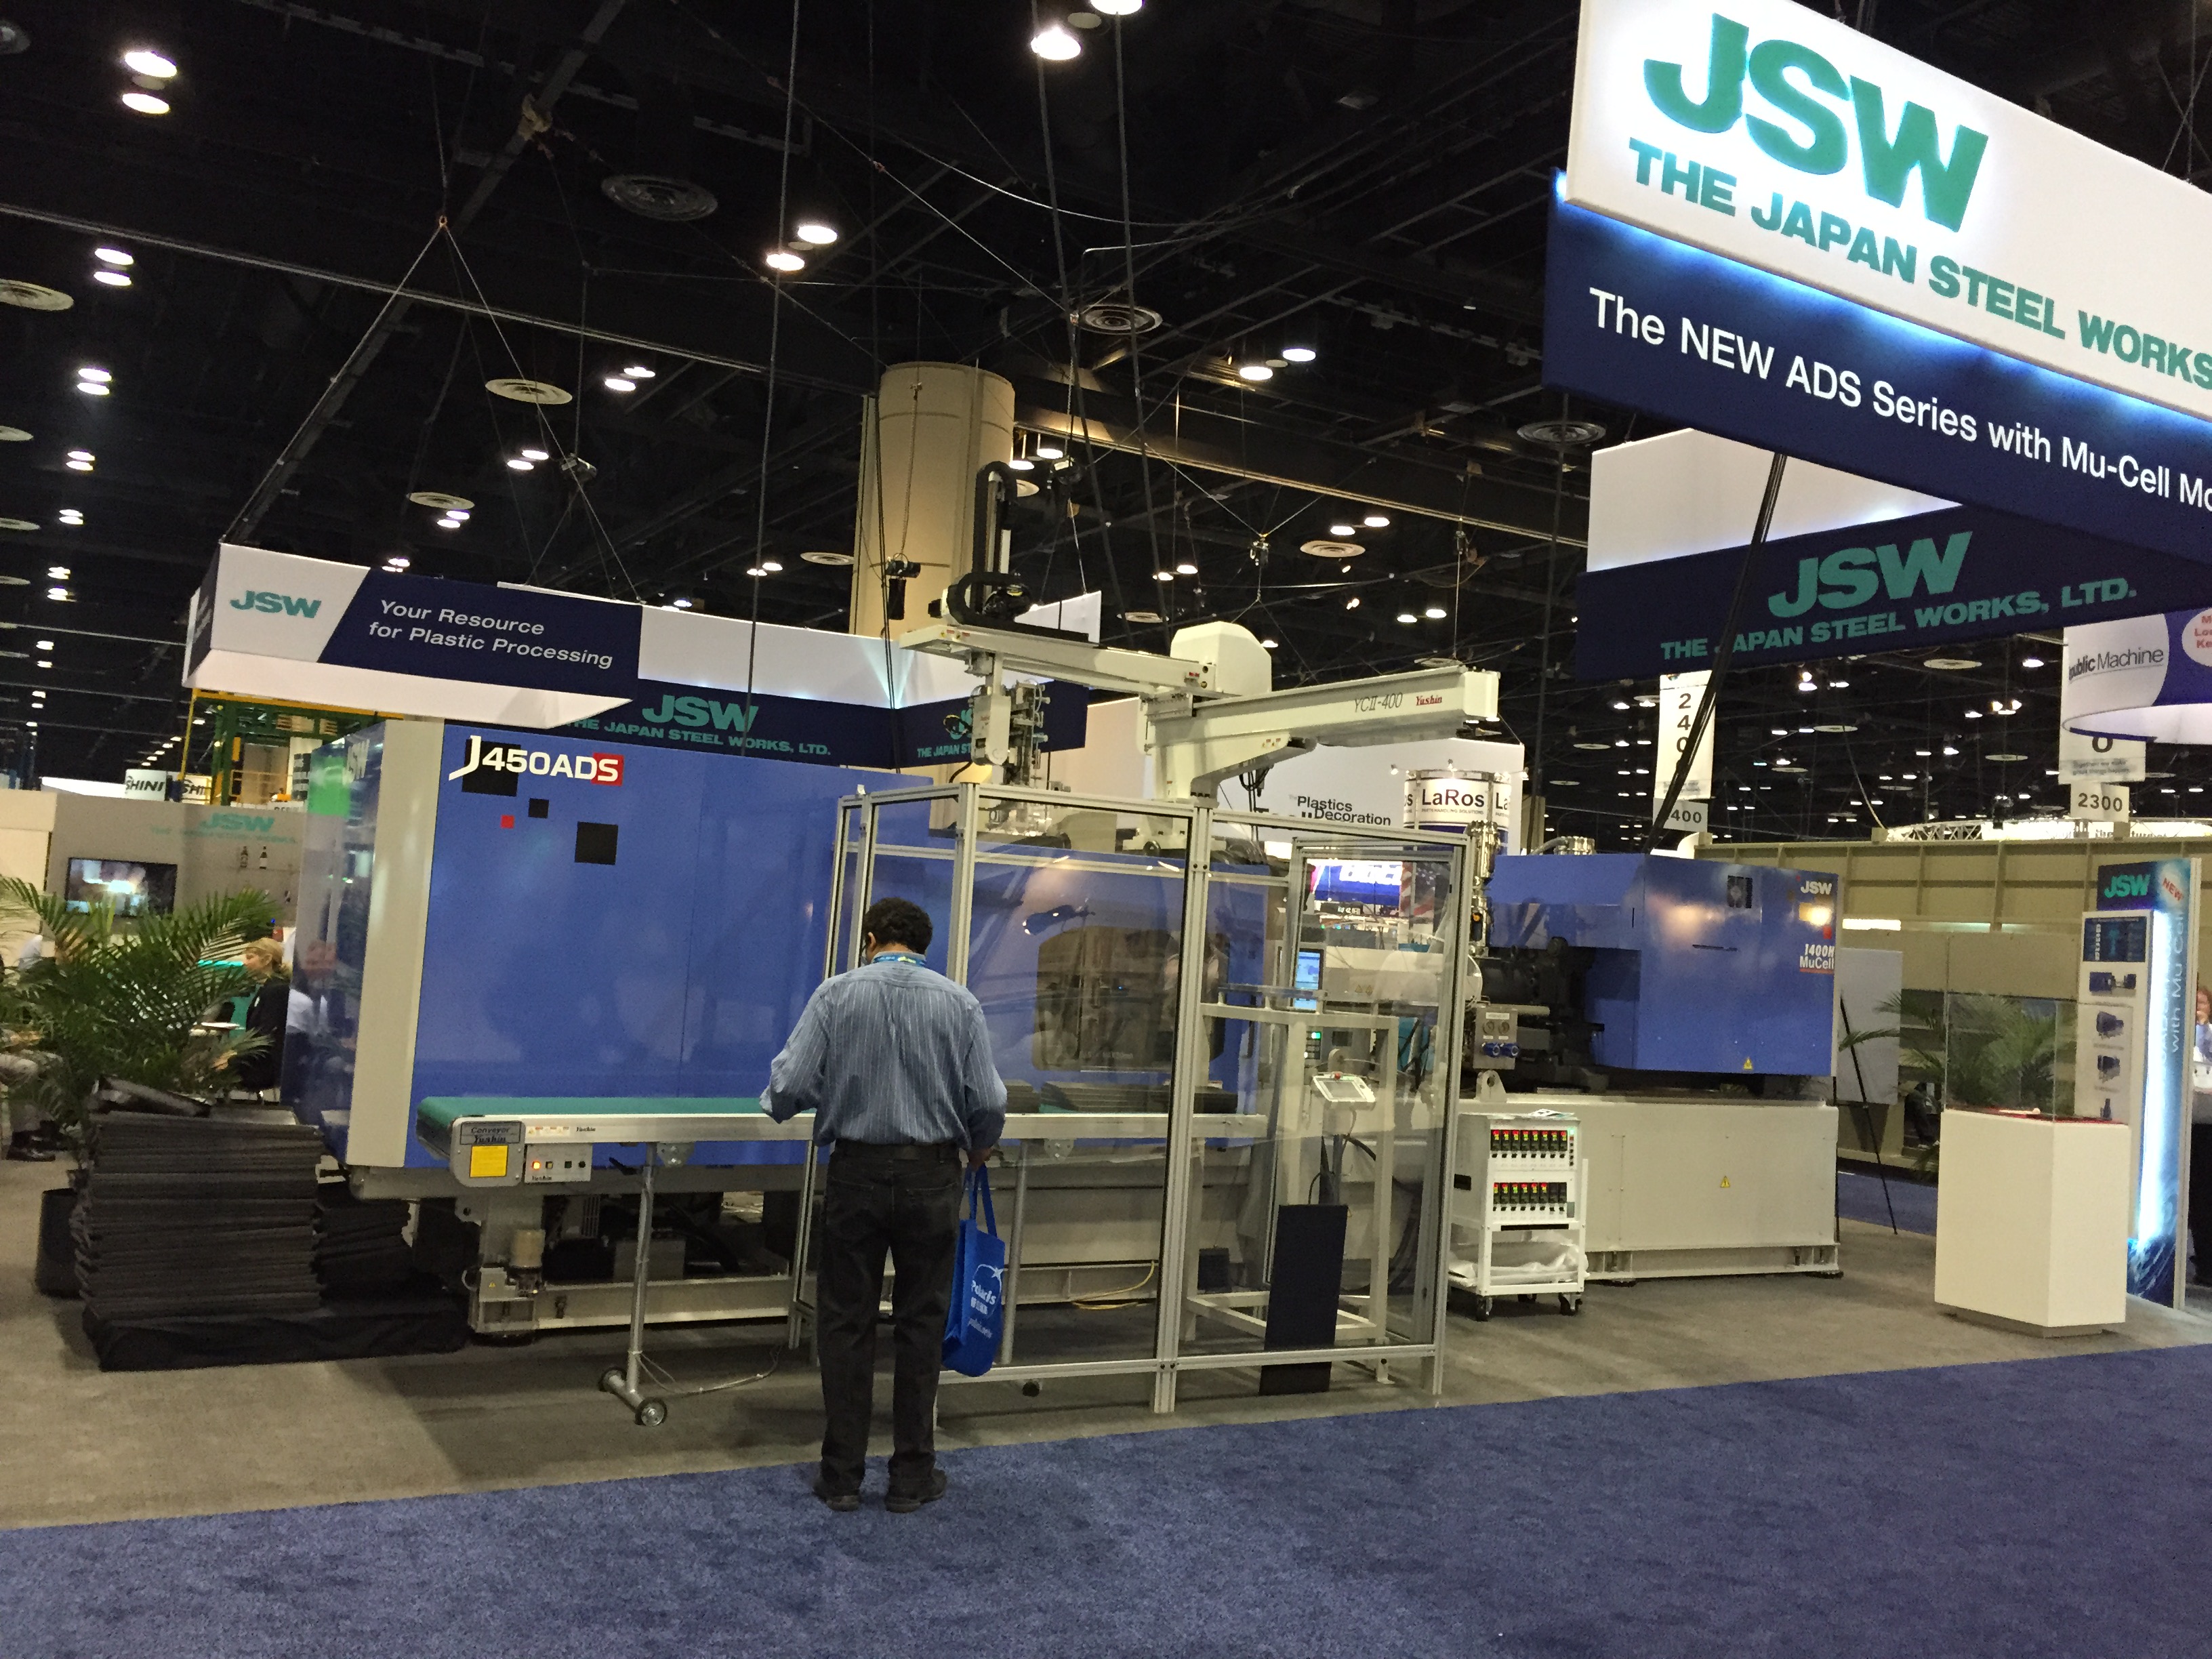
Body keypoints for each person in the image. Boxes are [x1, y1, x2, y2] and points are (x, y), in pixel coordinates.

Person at [763, 896, 1005, 1514]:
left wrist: (805, 1100)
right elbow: (989, 1100)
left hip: (858, 1174)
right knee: (922, 1323)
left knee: (846, 1322)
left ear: (870, 940)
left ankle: (842, 1476)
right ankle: (911, 1476)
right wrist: (979, 1147)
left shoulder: (836, 995)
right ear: (923, 945)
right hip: (932, 1177)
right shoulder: (960, 1003)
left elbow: (788, 1086)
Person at [226, 937, 290, 1094]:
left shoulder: (277, 991)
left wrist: (235, 1058)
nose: (245, 963)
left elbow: (267, 1035)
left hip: (265, 1066)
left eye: (250, 958)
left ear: (267, 959)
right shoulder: (266, 989)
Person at [2192, 987, 2212, 1285]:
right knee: (2196, 1197)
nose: (2199, 1007)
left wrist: (2203, 1028)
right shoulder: (2176, 1037)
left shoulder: (2208, 1036)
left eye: (2203, 1002)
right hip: (2188, 1124)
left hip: (2208, 1124)